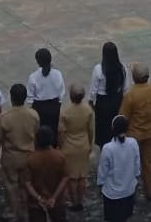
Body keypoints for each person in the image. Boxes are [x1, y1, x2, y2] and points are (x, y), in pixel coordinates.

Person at [118, 63, 151, 201]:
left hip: (133, 136)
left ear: (133, 77)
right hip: (150, 133)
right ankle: (150, 192)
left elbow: (123, 117)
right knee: (149, 163)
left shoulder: (130, 95)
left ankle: (130, 191)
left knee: (131, 163)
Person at [0, 84, 42, 222]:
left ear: (11, 97)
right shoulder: (33, 114)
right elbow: (36, 134)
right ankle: (24, 212)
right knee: (26, 184)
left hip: (11, 156)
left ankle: (12, 212)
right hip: (28, 155)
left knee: (11, 185)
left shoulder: (5, 117)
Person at [58, 84, 95, 212]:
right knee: (82, 175)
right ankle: (80, 200)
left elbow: (61, 132)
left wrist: (60, 146)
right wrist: (90, 144)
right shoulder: (88, 110)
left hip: (69, 146)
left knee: (72, 177)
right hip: (83, 144)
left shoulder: (65, 112)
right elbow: (90, 130)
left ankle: (74, 202)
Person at [97, 116, 141, 222]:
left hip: (112, 194)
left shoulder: (108, 148)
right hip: (128, 190)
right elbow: (137, 167)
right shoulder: (133, 143)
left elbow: (102, 171)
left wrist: (100, 184)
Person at [25, 125, 68, 222]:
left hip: (36, 203)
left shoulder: (31, 159)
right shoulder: (60, 156)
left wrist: (39, 198)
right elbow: (65, 178)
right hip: (57, 200)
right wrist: (54, 197)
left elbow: (27, 183)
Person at [90, 42, 130, 147]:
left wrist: (92, 104)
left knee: (103, 131)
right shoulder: (122, 68)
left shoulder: (98, 69)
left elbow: (93, 91)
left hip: (102, 103)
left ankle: (105, 149)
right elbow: (125, 88)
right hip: (117, 100)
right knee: (116, 126)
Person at [27, 48, 66, 136]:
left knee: (40, 133)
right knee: (53, 132)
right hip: (54, 107)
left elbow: (30, 97)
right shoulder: (58, 74)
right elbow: (61, 92)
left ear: (38, 61)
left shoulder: (33, 77)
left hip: (39, 108)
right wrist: (58, 104)